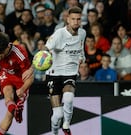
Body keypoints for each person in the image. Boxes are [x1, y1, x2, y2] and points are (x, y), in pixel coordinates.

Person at [45, 6, 86, 135]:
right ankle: (55, 132)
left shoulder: (82, 33)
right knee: (57, 114)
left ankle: (66, 126)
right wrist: (42, 58)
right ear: (68, 19)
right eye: (73, 19)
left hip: (70, 73)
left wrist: (81, 57)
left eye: (78, 19)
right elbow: (46, 48)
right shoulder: (59, 34)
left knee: (68, 98)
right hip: (54, 74)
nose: (76, 22)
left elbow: (81, 47)